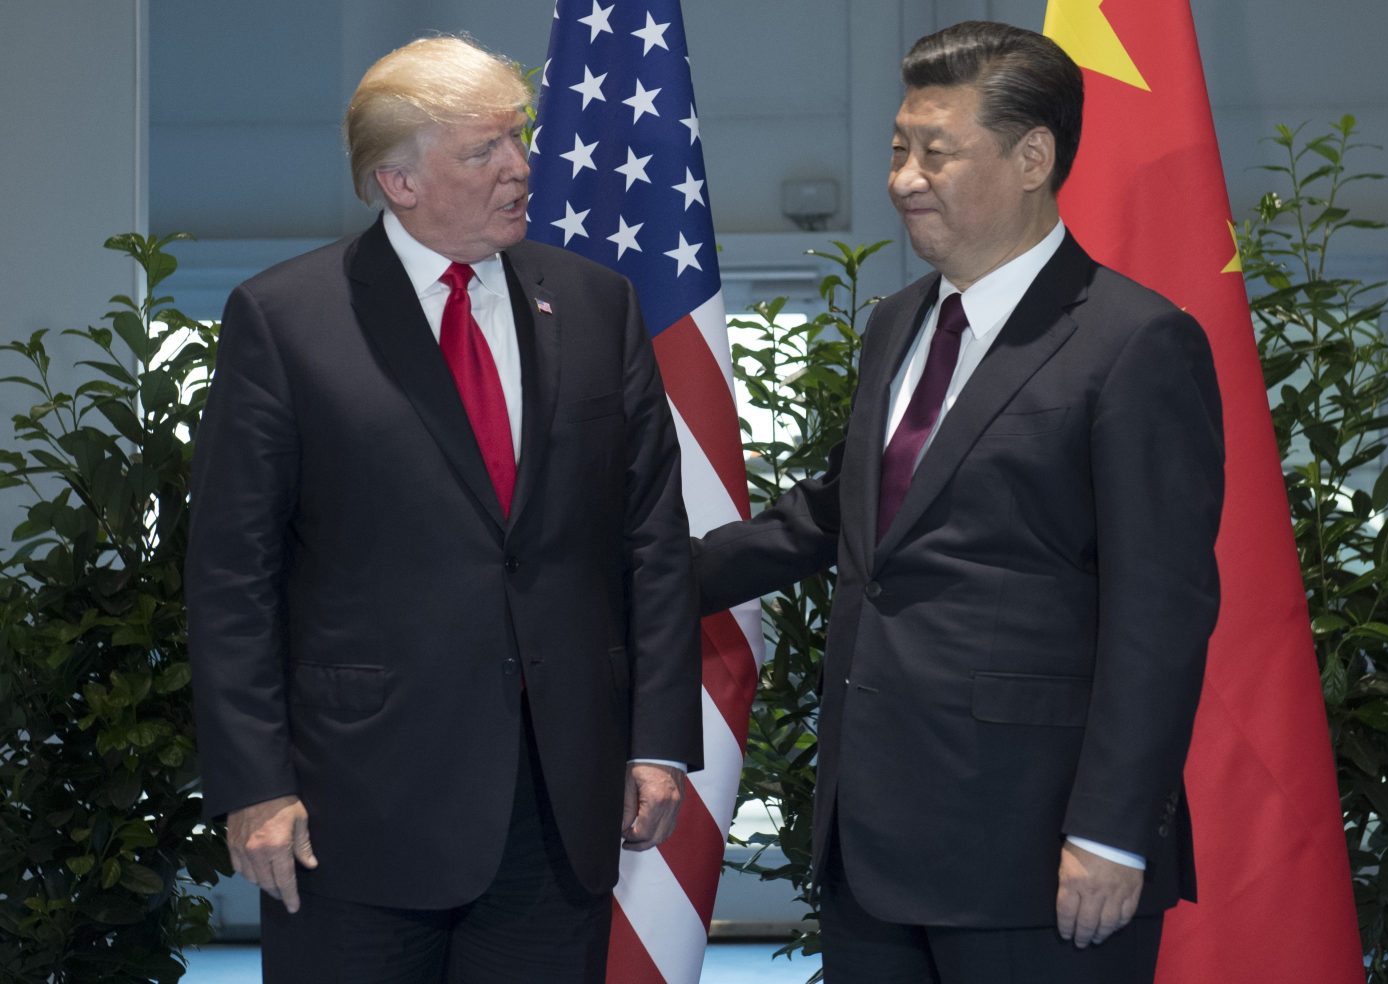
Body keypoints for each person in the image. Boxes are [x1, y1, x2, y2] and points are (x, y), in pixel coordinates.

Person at [694, 21, 1224, 984]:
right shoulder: (898, 323)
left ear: (1033, 157)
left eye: (936, 152)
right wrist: (648, 573)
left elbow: (1163, 611)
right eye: (899, 148)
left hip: (1040, 853)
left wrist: (1113, 833)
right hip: (872, 845)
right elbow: (849, 509)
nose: (903, 177)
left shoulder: (1136, 342)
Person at [186, 36, 701, 983]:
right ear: (398, 181)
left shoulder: (598, 304)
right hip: (356, 810)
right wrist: (254, 786)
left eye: (519, 139)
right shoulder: (285, 318)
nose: (519, 168)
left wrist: (662, 741)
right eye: (483, 151)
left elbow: (653, 543)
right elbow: (232, 575)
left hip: (558, 808)